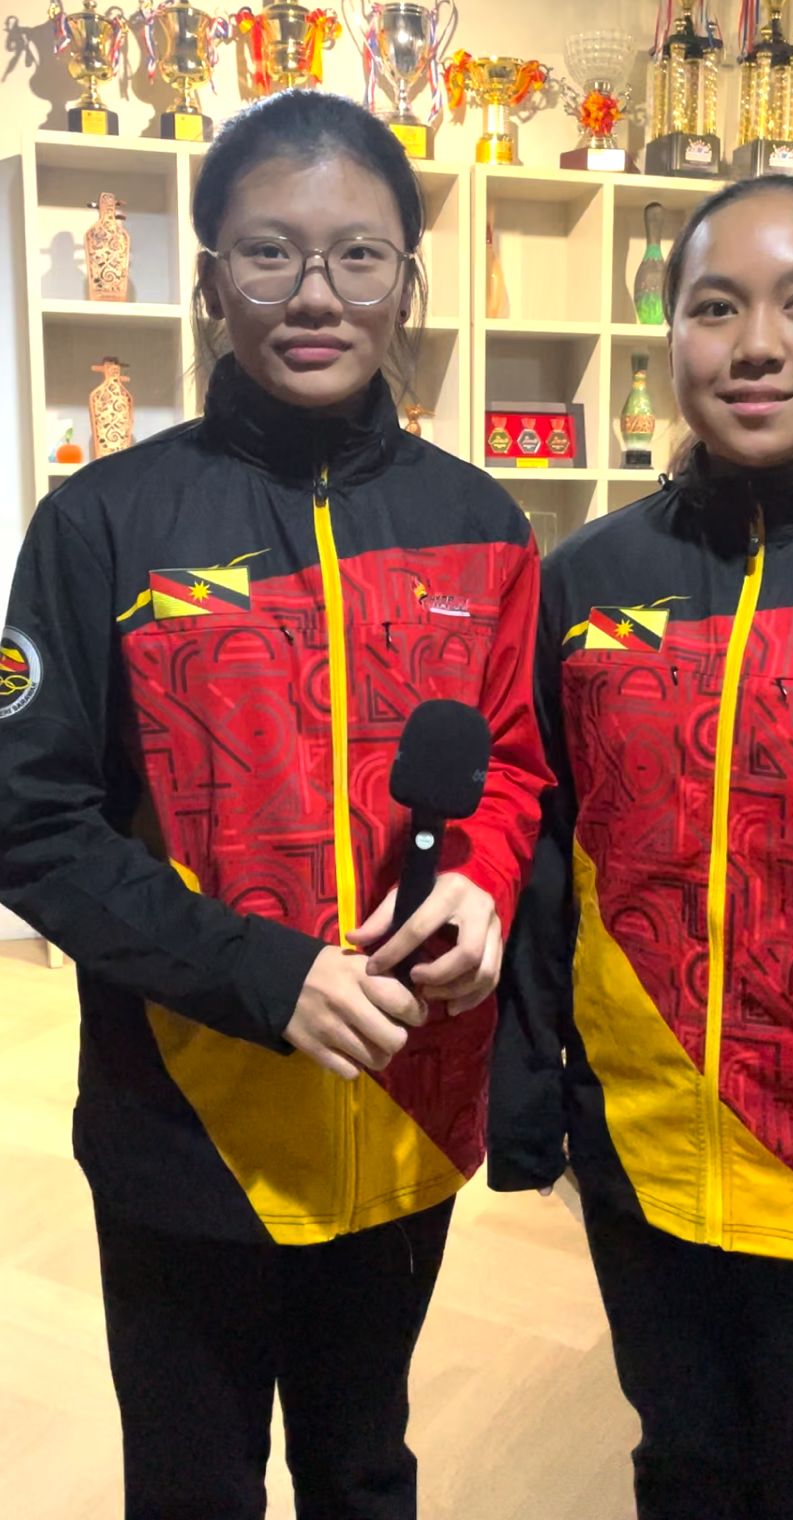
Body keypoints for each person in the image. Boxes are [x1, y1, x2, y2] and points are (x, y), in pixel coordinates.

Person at [0, 88, 549, 1520]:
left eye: (359, 254)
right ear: (209, 280)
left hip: (406, 1117)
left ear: (405, 281)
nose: (316, 294)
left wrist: (483, 881)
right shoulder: (99, 523)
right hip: (186, 1129)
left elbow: (511, 761)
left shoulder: (482, 525)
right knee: (194, 1486)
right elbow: (27, 817)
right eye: (270, 252)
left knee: (365, 1468)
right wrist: (264, 974)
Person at [488, 174, 793, 1520]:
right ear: (670, 335)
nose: (756, 344)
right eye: (714, 307)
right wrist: (526, 1086)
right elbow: (543, 847)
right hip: (640, 1151)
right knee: (682, 1467)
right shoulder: (586, 580)